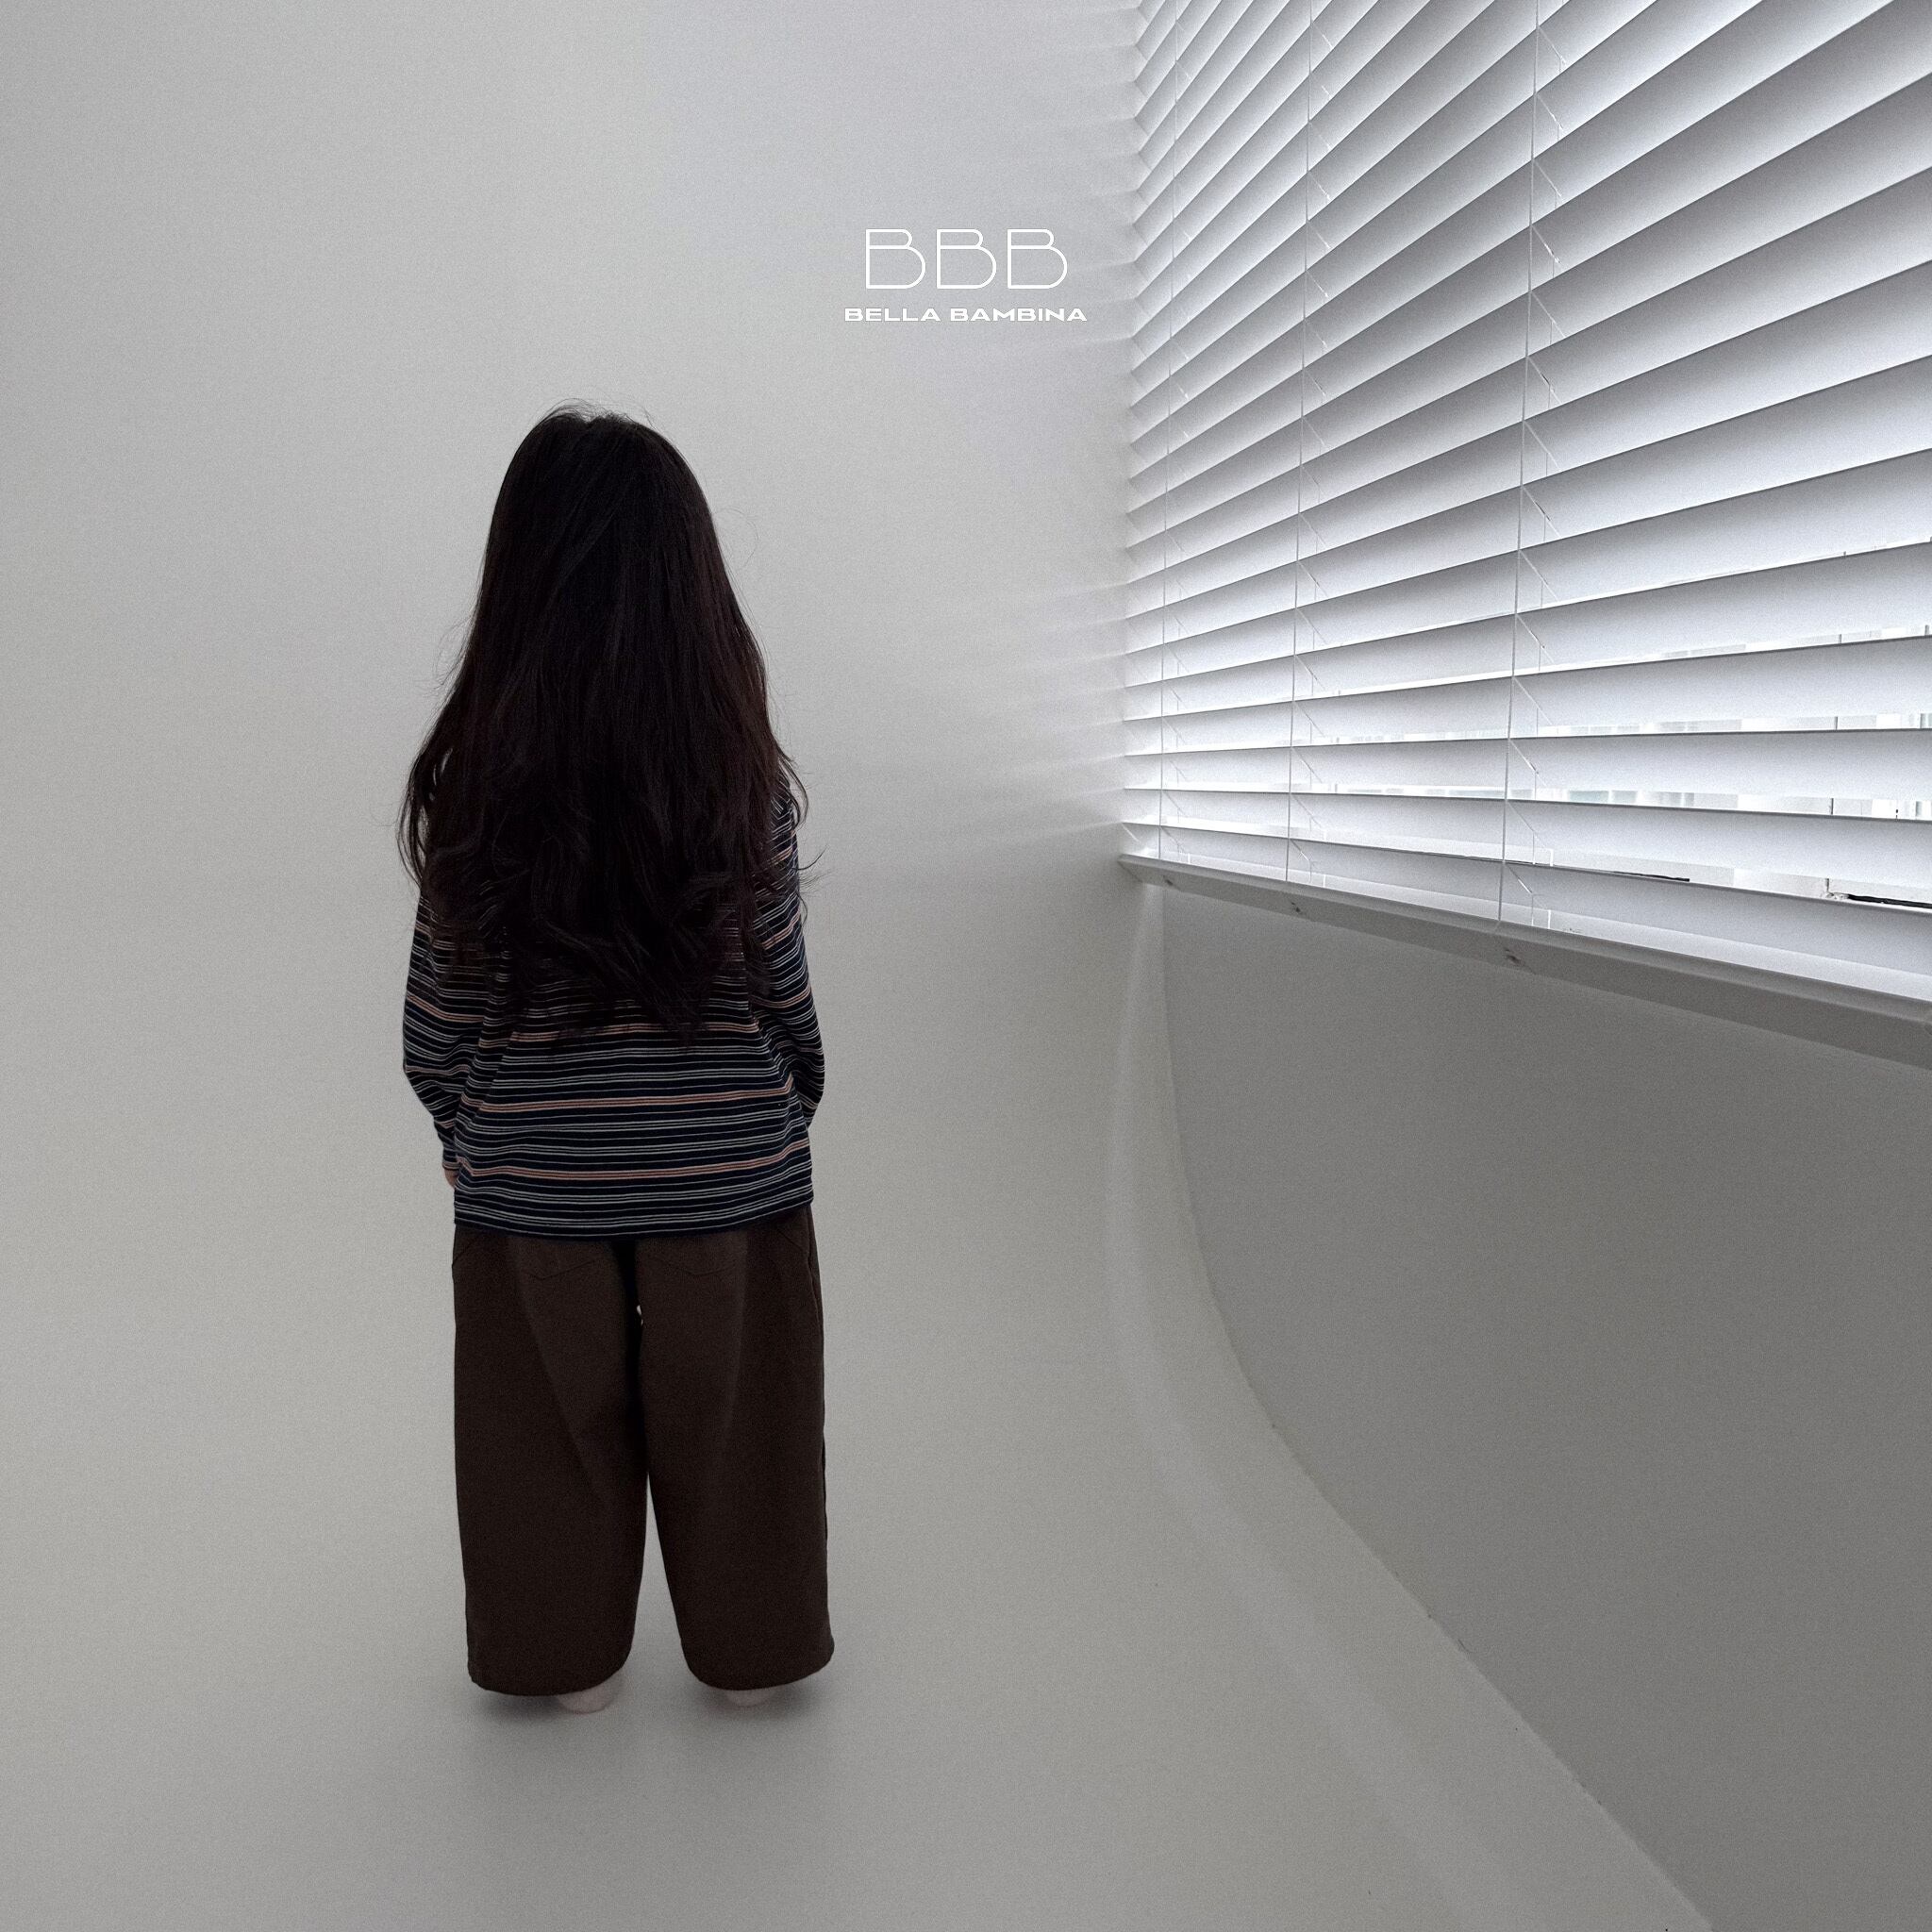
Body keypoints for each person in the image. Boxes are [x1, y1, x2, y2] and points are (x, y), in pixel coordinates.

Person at [396, 405, 830, 1715]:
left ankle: (555, 1662)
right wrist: (782, 1113)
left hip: (532, 1191)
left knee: (536, 1441)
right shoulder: (738, 782)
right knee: (742, 1439)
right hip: (730, 1180)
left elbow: (438, 1020)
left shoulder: (475, 786)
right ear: (693, 590)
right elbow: (783, 995)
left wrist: (472, 1138)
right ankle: (751, 1654)